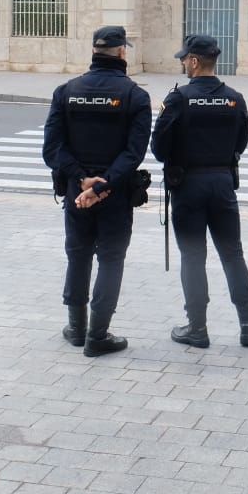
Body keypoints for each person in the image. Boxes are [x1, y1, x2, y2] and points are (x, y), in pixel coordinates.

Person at [41, 25, 151, 358]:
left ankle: (76, 329)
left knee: (78, 255)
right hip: (115, 193)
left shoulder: (66, 91)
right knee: (111, 259)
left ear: (93, 51)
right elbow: (134, 153)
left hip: (77, 194)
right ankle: (97, 335)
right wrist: (103, 184)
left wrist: (82, 181)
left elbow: (52, 149)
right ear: (121, 53)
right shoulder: (135, 96)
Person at [151, 34, 248, 348]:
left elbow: (159, 148)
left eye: (184, 59)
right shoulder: (234, 98)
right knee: (232, 254)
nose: (182, 63)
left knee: (192, 256)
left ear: (195, 61)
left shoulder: (178, 99)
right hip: (222, 184)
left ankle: (197, 329)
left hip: (187, 187)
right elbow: (242, 142)